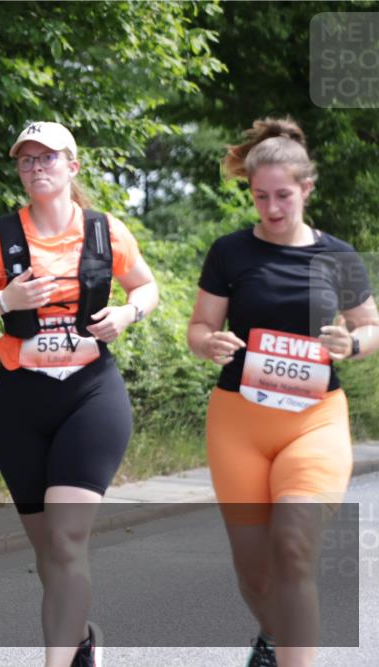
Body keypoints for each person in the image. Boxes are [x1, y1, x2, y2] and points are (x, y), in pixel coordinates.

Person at [0, 121, 159, 666]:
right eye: (27, 160)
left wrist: (128, 313)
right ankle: (81, 639)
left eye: (48, 158)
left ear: (72, 166)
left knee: (65, 542)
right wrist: (4, 300)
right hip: (20, 404)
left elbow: (145, 286)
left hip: (91, 396)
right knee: (49, 553)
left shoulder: (105, 231)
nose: (37, 167)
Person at [188, 117, 377, 667]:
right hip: (238, 423)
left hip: (315, 421)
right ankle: (272, 638)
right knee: (255, 572)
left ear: (306, 189)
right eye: (260, 196)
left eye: (283, 196)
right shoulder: (230, 252)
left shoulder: (338, 256)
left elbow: (371, 325)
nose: (271, 208)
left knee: (292, 547)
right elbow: (199, 328)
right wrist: (210, 343)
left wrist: (352, 343)